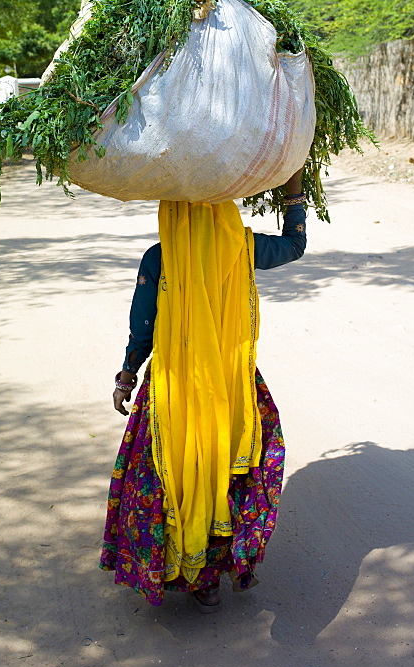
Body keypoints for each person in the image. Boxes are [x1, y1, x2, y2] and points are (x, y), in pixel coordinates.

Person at [100, 167, 307, 612]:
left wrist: (127, 375)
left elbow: (144, 327)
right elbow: (294, 245)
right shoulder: (241, 245)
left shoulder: (161, 257)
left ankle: (188, 572)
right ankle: (214, 574)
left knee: (173, 478)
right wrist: (294, 184)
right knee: (226, 472)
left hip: (174, 390)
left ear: (170, 211)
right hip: (231, 386)